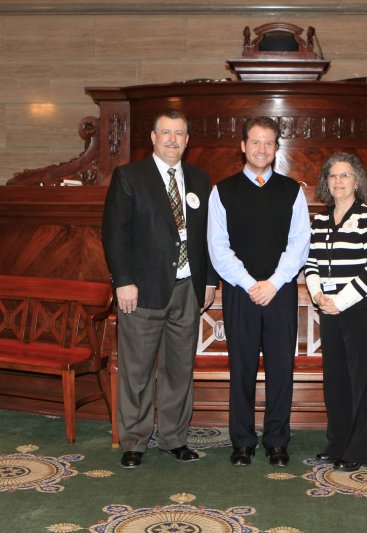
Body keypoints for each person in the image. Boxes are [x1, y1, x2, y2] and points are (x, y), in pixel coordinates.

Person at [102, 109, 217, 469]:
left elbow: (209, 235)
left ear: (187, 140)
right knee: (136, 371)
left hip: (188, 290)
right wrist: (123, 281)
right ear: (153, 138)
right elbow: (114, 233)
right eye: (165, 132)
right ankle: (134, 441)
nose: (172, 139)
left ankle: (174, 438)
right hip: (141, 291)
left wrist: (209, 280)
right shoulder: (129, 176)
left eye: (179, 134)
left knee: (178, 371)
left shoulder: (200, 179)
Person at [208, 116, 311, 467]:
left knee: (281, 368)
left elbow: (300, 242)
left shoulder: (292, 191)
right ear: (243, 146)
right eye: (255, 142)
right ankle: (242, 441)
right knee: (242, 368)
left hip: (280, 291)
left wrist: (274, 282)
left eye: (268, 142)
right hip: (241, 292)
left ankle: (277, 440)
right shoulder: (222, 191)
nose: (262, 149)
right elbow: (218, 247)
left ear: (276, 147)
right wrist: (250, 283)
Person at [303, 152, 367, 472]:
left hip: (360, 311)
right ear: (326, 182)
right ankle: (337, 443)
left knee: (361, 384)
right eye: (333, 176)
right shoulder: (321, 220)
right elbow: (311, 264)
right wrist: (318, 295)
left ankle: (359, 451)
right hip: (329, 311)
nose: (338, 181)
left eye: (345, 175)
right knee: (336, 381)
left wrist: (339, 301)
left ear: (357, 181)